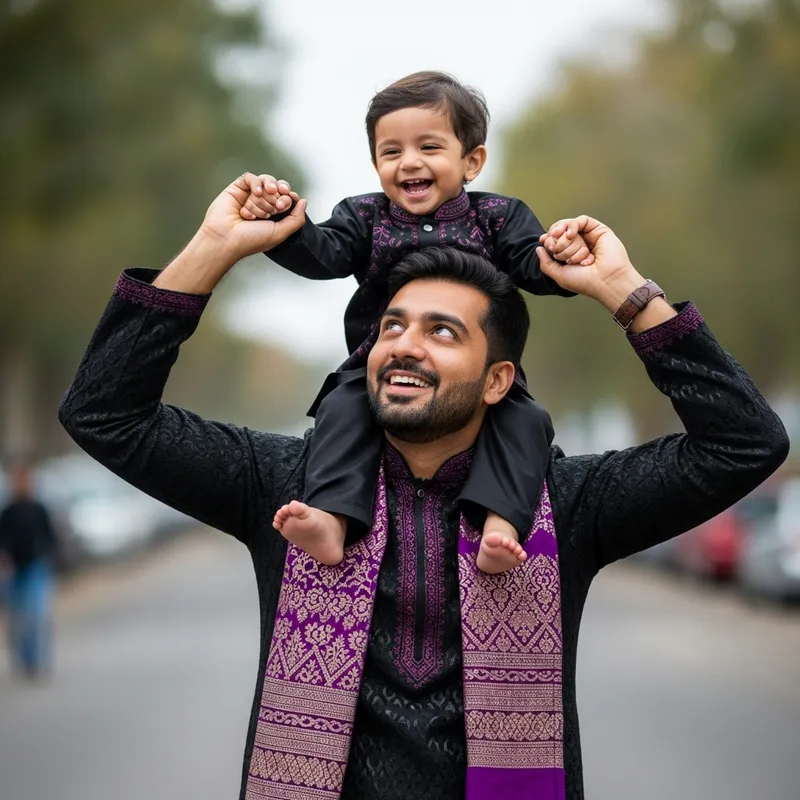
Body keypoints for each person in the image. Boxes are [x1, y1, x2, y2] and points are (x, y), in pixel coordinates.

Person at [58, 175, 788, 800]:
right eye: (393, 326)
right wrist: (214, 248)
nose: (403, 343)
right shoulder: (285, 487)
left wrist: (625, 292)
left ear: (499, 379)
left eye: (442, 332)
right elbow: (105, 413)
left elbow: (743, 443)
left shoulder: (567, 504)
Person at [240, 71, 596, 574]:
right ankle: (331, 519)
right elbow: (324, 256)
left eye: (429, 147)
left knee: (527, 422)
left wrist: (565, 255)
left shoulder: (497, 217)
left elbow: (533, 263)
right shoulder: (364, 217)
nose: (409, 162)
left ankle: (500, 526)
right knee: (341, 414)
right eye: (391, 152)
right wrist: (283, 225)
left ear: (471, 160)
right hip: (375, 366)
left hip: (477, 369)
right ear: (375, 164)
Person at [0, 461, 58, 680]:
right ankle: (25, 660)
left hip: (36, 567)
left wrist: (49, 558)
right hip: (14, 572)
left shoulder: (38, 509)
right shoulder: (7, 512)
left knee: (37, 615)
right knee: (18, 620)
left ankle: (37, 661)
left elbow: (50, 537)